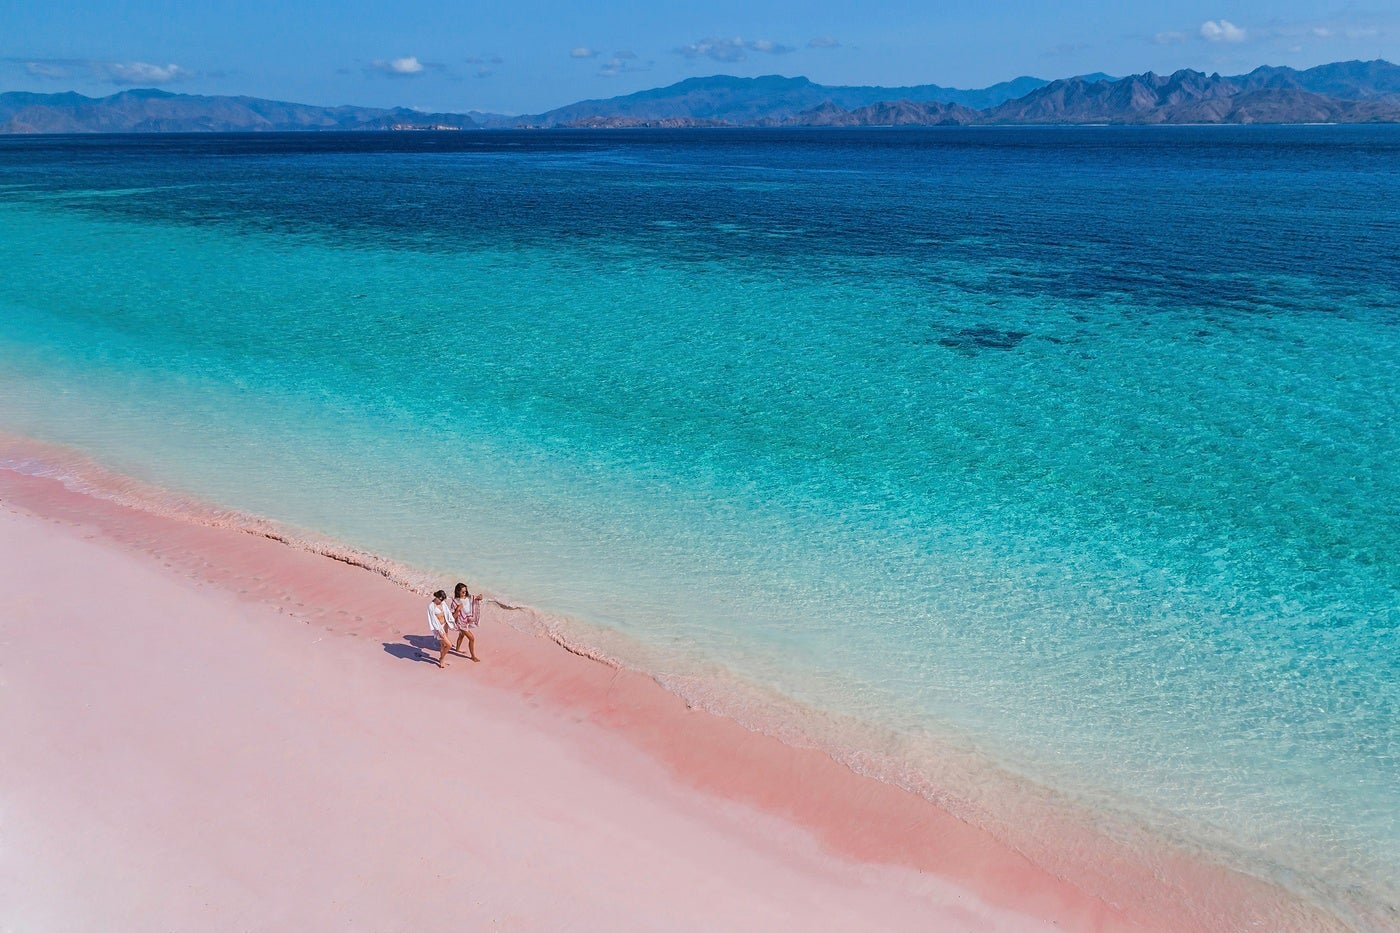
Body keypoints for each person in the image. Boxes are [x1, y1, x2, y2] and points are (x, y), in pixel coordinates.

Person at [450, 582, 482, 662]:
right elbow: (453, 616)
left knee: (461, 635)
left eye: (466, 591)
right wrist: (457, 609)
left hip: (466, 620)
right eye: (463, 592)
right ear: (458, 591)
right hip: (461, 623)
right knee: (472, 638)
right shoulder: (455, 602)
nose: (465, 593)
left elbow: (478, 598)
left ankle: (457, 649)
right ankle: (473, 656)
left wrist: (480, 597)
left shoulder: (469, 598)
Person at [427, 590, 453, 669]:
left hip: (445, 625)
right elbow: (433, 620)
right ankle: (441, 658)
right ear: (436, 597)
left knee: (443, 645)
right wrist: (439, 631)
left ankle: (442, 660)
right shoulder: (431, 606)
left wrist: (450, 622)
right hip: (439, 628)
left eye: (442, 600)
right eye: (440, 599)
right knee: (449, 645)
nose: (441, 601)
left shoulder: (443, 603)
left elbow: (447, 612)